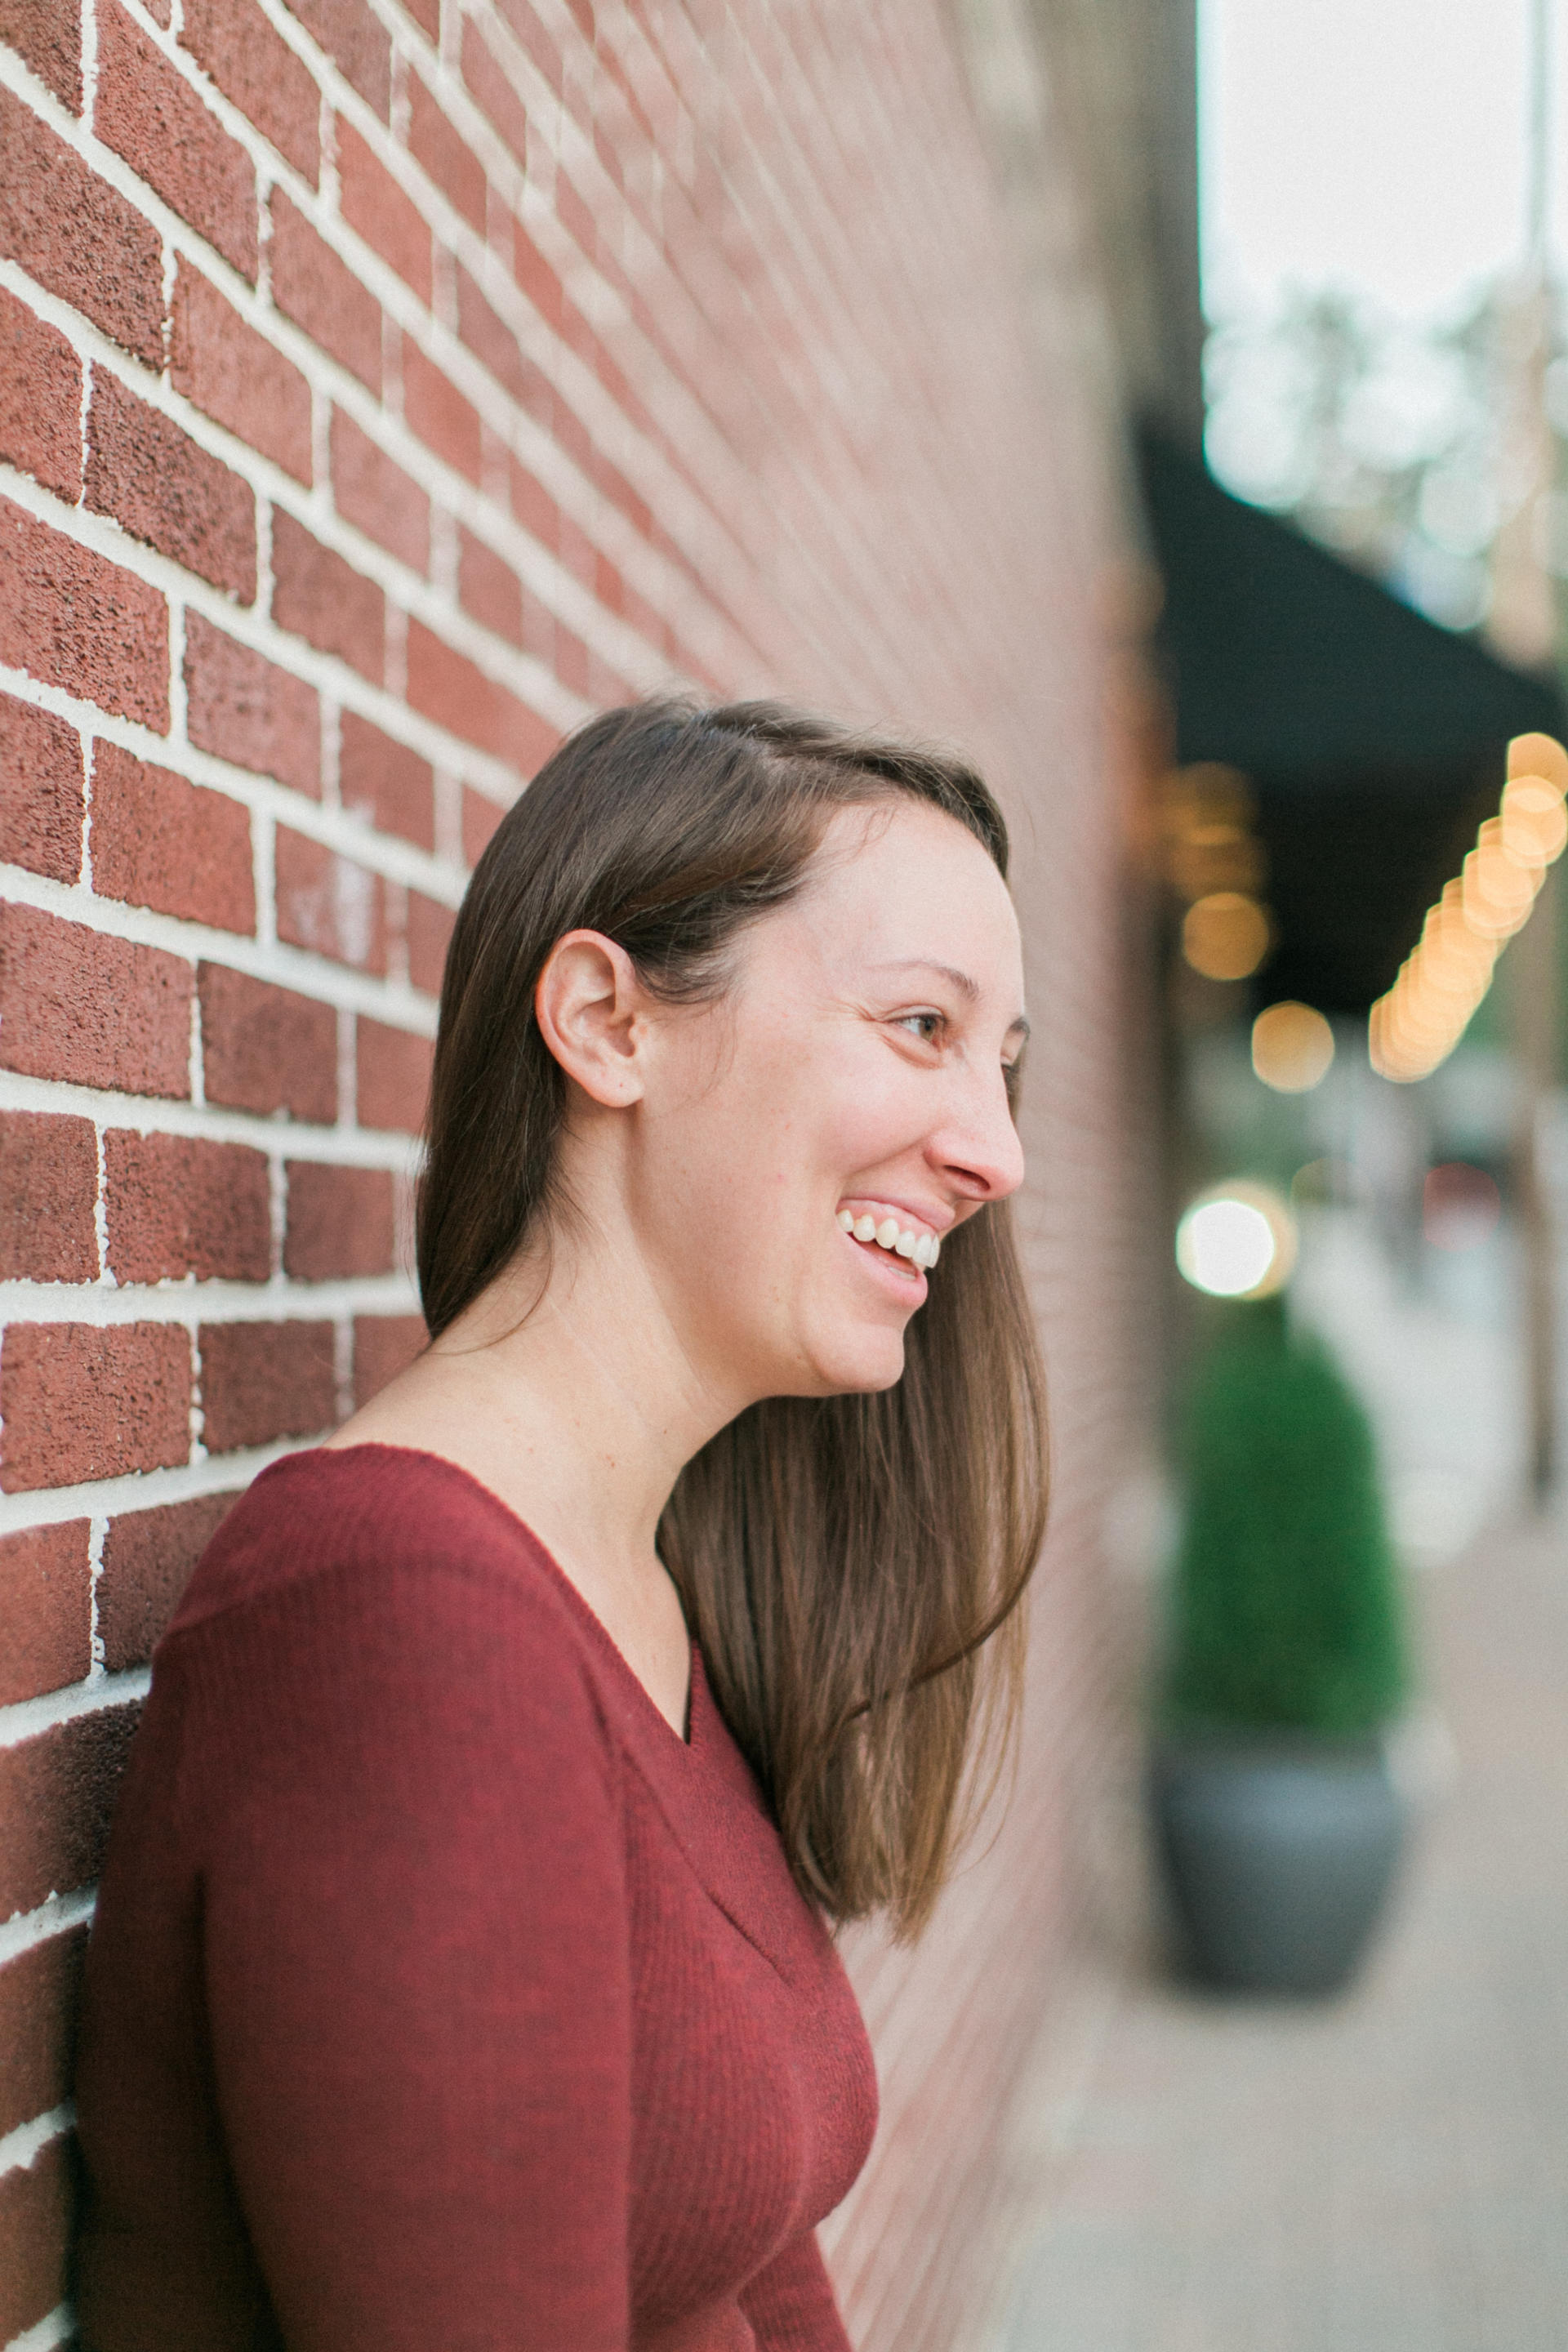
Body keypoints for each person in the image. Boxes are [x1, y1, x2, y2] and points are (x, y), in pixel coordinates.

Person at [74, 699, 1049, 2350]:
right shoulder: (404, 1619)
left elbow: (754, 2259)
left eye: (1000, 1066)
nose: (996, 1155)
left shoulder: (629, 1588)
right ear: (609, 1024)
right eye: (919, 1026)